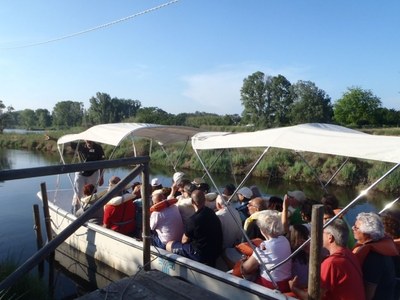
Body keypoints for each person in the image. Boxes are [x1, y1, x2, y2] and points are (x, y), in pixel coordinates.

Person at [289, 218, 365, 300]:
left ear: (330, 238)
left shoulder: (331, 263)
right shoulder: (349, 254)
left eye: (322, 232)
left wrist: (294, 288)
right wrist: (312, 252)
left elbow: (313, 298)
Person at [166, 190, 223, 267]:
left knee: (169, 245)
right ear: (205, 200)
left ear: (192, 201)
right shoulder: (211, 212)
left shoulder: (193, 220)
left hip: (202, 255)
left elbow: (184, 241)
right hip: (216, 251)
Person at [240, 210, 292, 292]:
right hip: (285, 283)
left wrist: (243, 262)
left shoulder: (264, 247)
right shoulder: (285, 240)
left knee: (240, 271)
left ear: (262, 230)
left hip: (270, 285)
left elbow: (246, 269)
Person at [352, 212, 398, 300]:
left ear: (367, 233)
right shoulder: (379, 247)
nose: (353, 228)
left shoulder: (374, 258)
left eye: (356, 227)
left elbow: (368, 293)